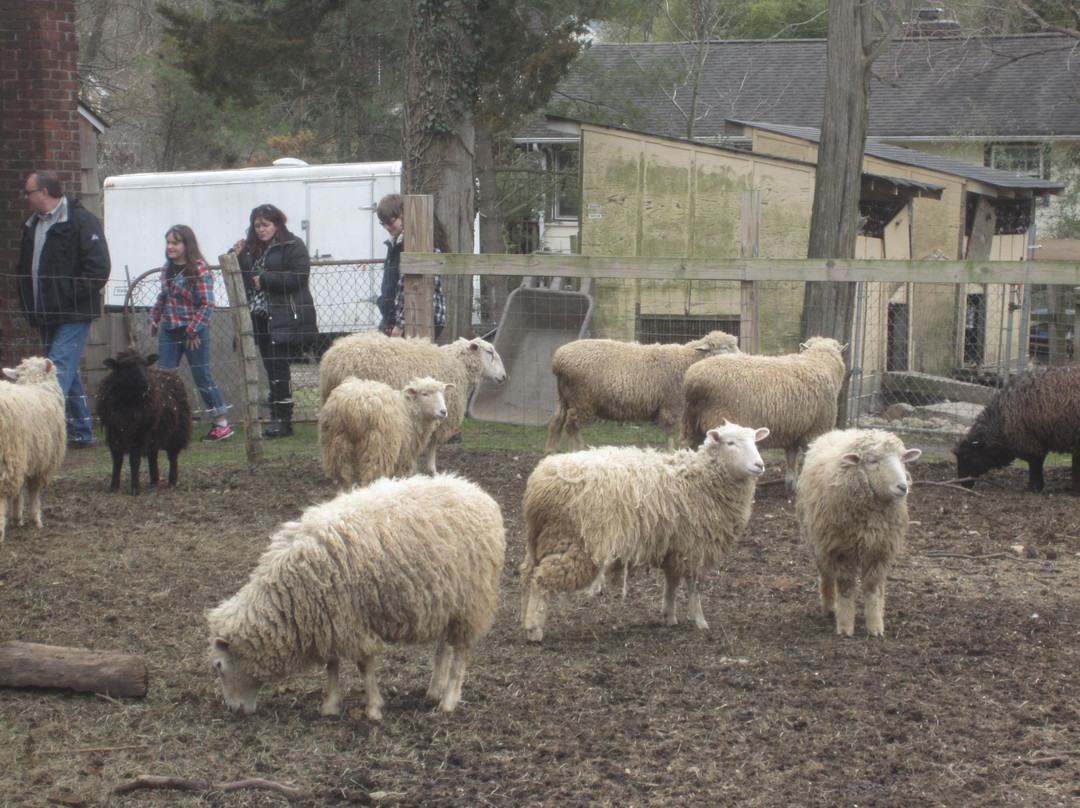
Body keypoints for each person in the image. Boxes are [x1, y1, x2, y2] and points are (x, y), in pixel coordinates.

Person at [15, 170, 111, 448]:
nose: (26, 197)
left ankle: (42, 434)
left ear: (44, 193)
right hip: (45, 312)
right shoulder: (33, 224)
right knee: (61, 370)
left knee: (54, 370)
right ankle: (80, 430)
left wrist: (66, 295)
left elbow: (98, 269)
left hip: (73, 312)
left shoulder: (81, 221)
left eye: (29, 192)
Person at [232, 203, 317, 438]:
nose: (260, 230)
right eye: (257, 225)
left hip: (283, 316)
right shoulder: (251, 249)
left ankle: (283, 418)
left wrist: (267, 280)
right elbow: (244, 280)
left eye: (265, 225)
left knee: (279, 368)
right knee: (270, 368)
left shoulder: (293, 245)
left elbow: (300, 277)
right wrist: (237, 257)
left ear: (277, 224)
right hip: (259, 317)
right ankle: (275, 415)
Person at [147, 225, 233, 442]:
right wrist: (154, 318)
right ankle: (168, 423)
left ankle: (221, 423)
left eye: (175, 243)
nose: (170, 247)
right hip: (169, 330)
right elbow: (163, 297)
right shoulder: (167, 269)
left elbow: (207, 304)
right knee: (165, 377)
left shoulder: (198, 269)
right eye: (168, 242)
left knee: (201, 376)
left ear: (187, 245)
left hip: (194, 333)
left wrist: (193, 330)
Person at [375, 193, 446, 340]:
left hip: (416, 320)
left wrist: (401, 324)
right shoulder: (395, 244)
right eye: (383, 223)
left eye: (390, 221)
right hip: (397, 319)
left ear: (403, 215)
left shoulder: (417, 246)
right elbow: (391, 285)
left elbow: (408, 289)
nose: (387, 227)